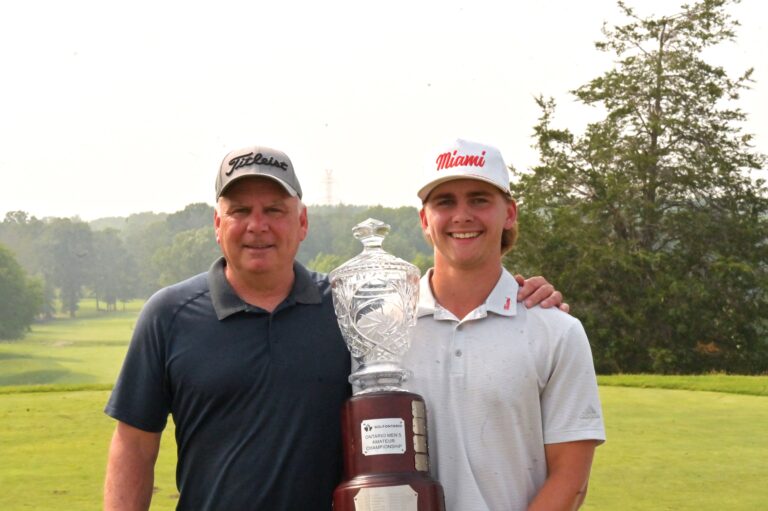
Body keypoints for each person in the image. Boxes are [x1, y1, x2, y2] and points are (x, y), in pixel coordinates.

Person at [103, 144, 565, 510]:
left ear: (302, 221)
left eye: (275, 210)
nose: (257, 225)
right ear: (217, 224)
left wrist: (520, 294)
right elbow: (133, 448)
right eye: (240, 210)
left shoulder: (351, 307)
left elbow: (451, 296)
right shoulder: (169, 314)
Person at [402, 138, 605, 511]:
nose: (462, 215)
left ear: (509, 213)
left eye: (479, 200)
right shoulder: (382, 329)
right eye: (445, 202)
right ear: (424, 220)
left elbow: (570, 478)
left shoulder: (558, 331)